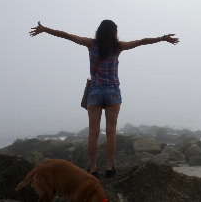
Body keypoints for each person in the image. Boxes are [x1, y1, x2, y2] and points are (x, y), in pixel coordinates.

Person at [29, 20, 179, 178]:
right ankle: (108, 167)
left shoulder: (91, 44)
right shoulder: (118, 47)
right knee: (111, 131)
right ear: (114, 32)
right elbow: (141, 42)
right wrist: (162, 38)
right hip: (112, 92)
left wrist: (45, 29)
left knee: (93, 132)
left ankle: (93, 168)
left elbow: (67, 35)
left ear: (99, 31)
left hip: (94, 91)